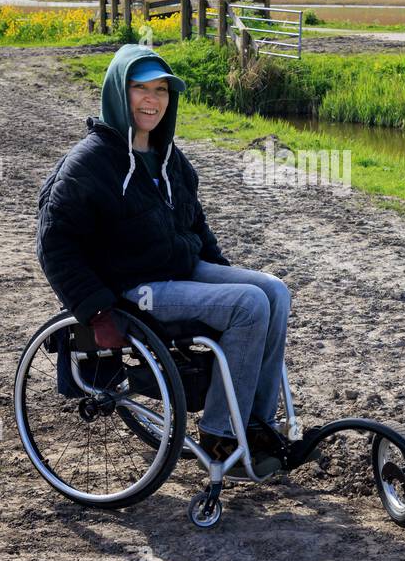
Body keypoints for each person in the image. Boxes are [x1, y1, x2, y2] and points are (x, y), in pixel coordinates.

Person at [36, 43, 291, 476]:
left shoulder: (170, 158)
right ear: (119, 92)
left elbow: (196, 225)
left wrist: (224, 273)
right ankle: (220, 433)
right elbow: (54, 244)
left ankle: (256, 421)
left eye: (161, 90)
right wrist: (96, 311)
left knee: (272, 291)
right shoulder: (89, 164)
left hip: (179, 271)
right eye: (140, 89)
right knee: (248, 305)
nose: (152, 100)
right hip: (135, 288)